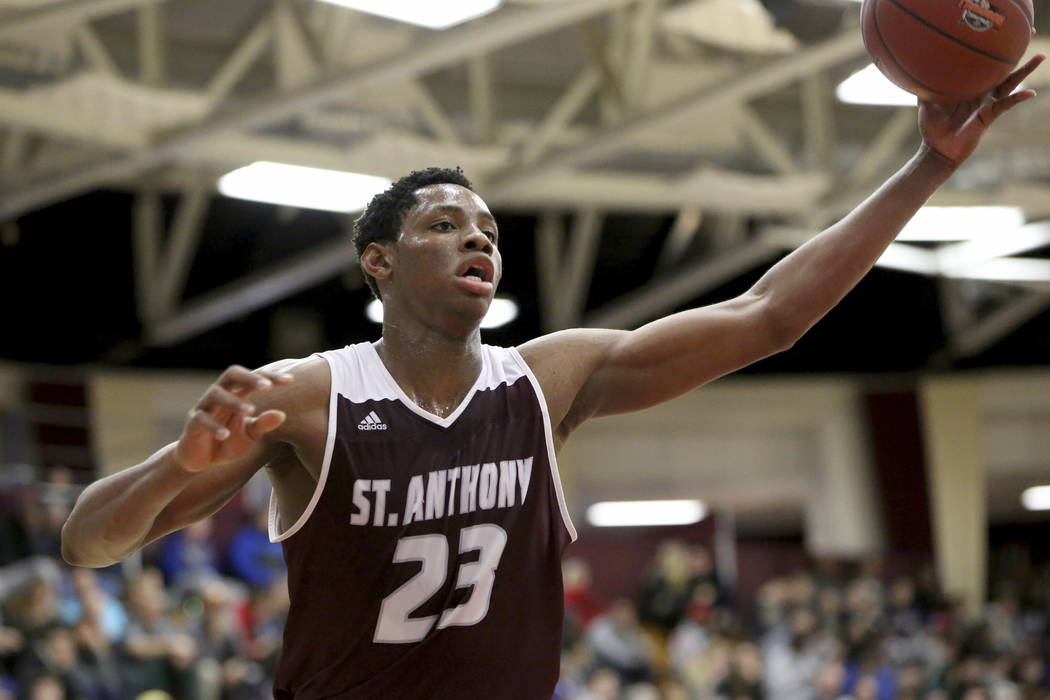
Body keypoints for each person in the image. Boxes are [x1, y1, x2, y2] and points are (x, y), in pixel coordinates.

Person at [60, 56, 1044, 700]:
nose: (476, 237)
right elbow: (88, 540)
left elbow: (769, 316)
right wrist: (170, 469)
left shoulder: (549, 376)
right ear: (381, 260)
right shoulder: (307, 395)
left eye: (488, 229)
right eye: (444, 223)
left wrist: (926, 165)